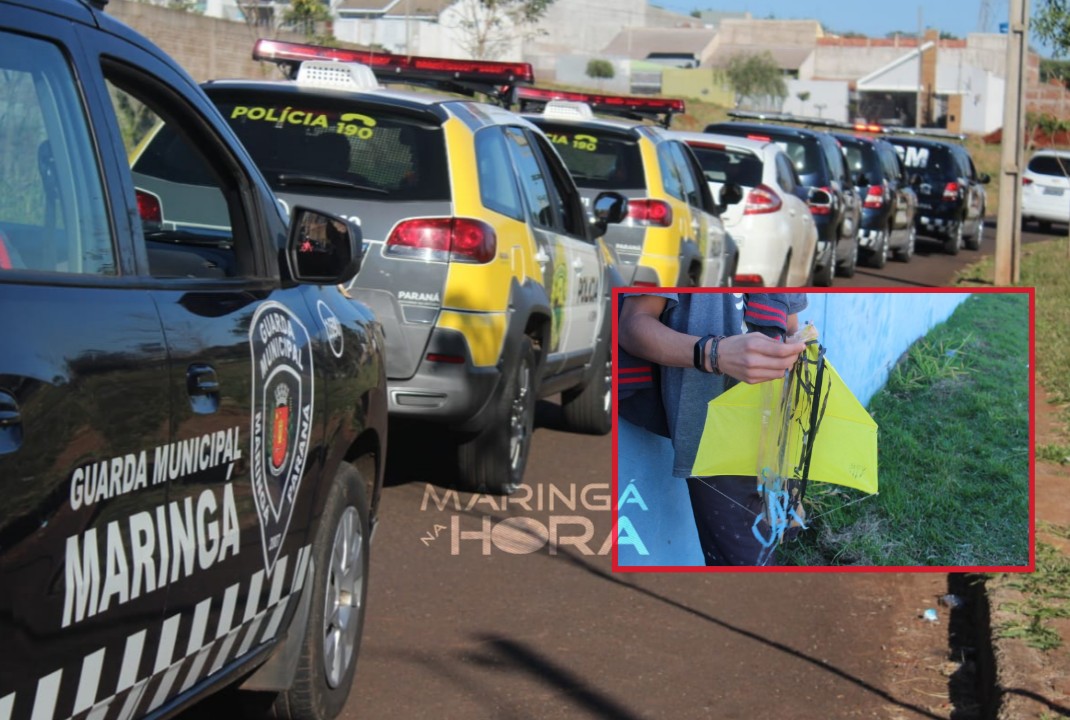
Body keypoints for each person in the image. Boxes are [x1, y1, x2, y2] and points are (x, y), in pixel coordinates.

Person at [617, 291, 808, 566]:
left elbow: (791, 326)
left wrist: (797, 344)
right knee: (744, 563)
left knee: (773, 537)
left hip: (774, 428)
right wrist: (714, 353)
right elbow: (633, 324)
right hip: (713, 440)